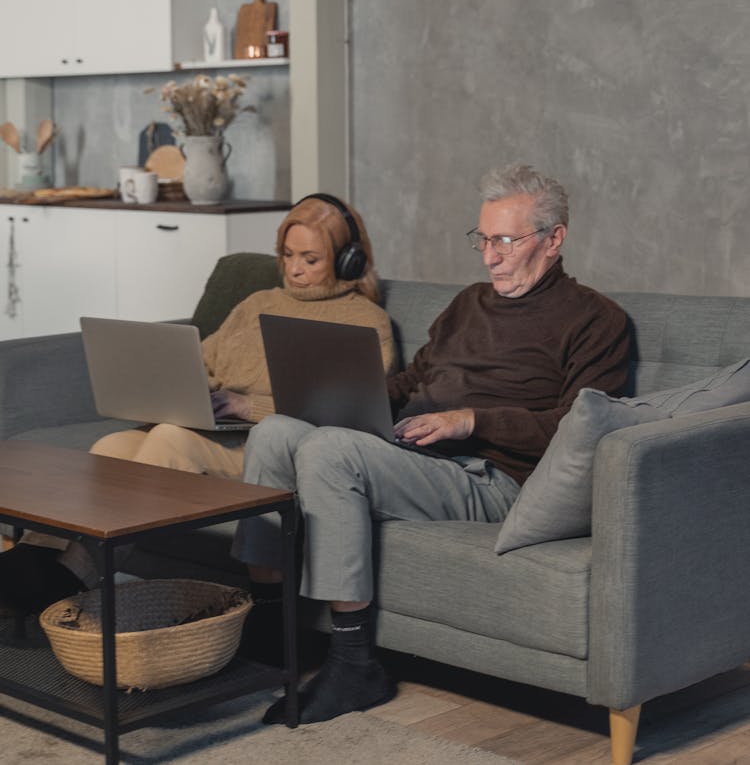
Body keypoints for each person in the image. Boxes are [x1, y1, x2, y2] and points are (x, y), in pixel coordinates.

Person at [231, 164, 632, 725]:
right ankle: (273, 630)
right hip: (415, 453)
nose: (490, 256)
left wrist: (471, 421)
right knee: (276, 431)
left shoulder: (596, 320)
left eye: (505, 241)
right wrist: (348, 396)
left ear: (554, 239)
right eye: (483, 239)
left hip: (490, 477)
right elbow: (412, 380)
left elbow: (580, 428)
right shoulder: (469, 303)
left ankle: (353, 665)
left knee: (329, 452)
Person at [0, 193, 395, 616]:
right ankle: (40, 556)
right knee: (111, 447)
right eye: (287, 254)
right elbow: (204, 361)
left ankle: (70, 576)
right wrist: (182, 390)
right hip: (215, 432)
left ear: (348, 258)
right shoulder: (257, 303)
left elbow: (348, 413)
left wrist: (247, 406)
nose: (295, 269)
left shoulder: (364, 321)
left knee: (170, 440)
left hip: (274, 449)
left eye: (310, 259)